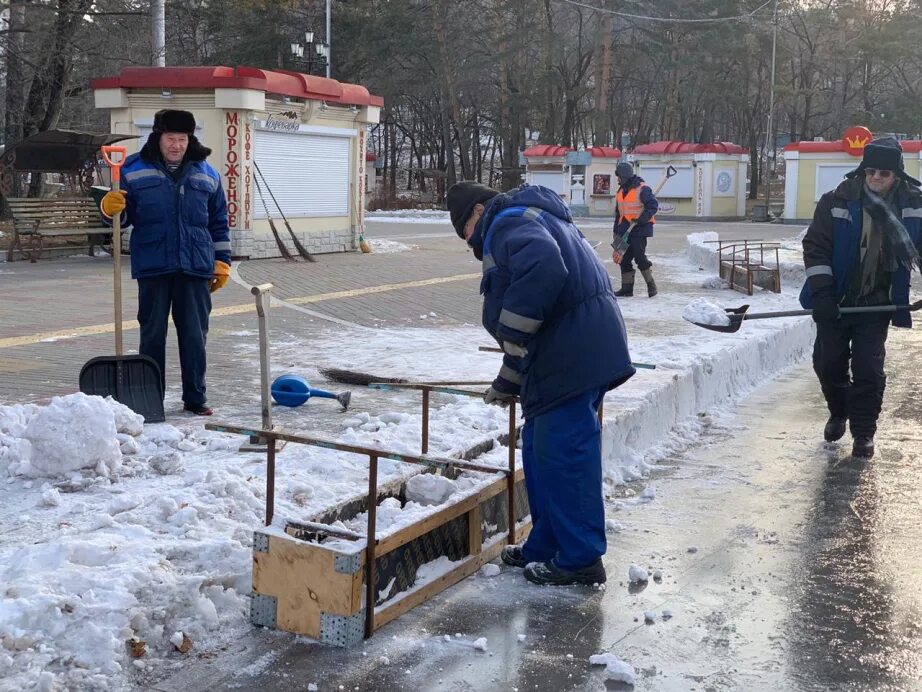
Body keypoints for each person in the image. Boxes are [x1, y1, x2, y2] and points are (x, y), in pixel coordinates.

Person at [447, 181, 636, 586]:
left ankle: (581, 558)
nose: (469, 243)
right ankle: (547, 545)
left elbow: (544, 267)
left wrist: (510, 361)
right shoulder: (529, 218)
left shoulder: (508, 222)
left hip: (572, 357)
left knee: (565, 457)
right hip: (566, 355)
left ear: (478, 212)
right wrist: (511, 375)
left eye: (464, 230)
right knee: (539, 452)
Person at [100, 109, 231, 416]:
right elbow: (118, 218)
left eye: (182, 139)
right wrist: (109, 209)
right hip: (154, 264)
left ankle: (195, 397)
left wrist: (222, 261)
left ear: (190, 139)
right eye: (171, 138)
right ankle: (151, 397)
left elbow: (219, 221)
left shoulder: (206, 173)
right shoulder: (131, 169)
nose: (176, 145)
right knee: (152, 334)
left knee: (195, 335)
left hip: (195, 265)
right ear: (158, 138)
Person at [800, 137, 922, 458]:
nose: (876, 178)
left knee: (868, 369)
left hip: (876, 303)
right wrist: (823, 294)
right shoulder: (837, 201)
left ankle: (864, 432)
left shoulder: (912, 205)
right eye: (870, 171)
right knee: (828, 364)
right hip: (835, 301)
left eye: (884, 172)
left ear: (897, 174)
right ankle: (839, 411)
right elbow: (816, 248)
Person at [612, 161, 659, 297]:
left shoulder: (643, 189)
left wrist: (641, 219)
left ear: (624, 176)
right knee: (623, 259)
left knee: (639, 258)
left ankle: (651, 286)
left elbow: (652, 206)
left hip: (639, 230)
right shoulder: (621, 191)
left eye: (619, 176)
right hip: (623, 230)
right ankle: (626, 289)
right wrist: (616, 231)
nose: (618, 179)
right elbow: (618, 213)